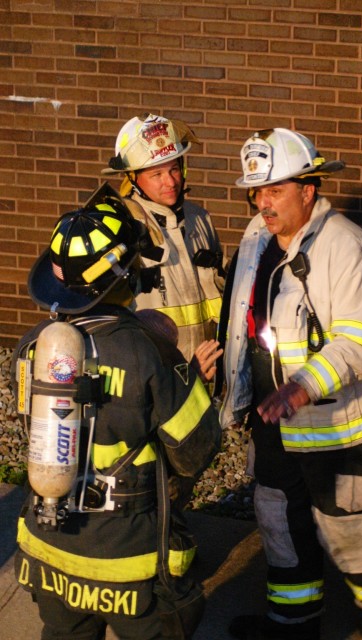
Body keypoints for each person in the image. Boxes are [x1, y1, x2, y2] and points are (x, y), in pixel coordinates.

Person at [12, 184, 222, 640]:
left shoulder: (30, 349)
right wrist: (192, 381)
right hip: (127, 561)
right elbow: (194, 452)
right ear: (126, 275)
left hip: (49, 553)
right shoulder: (150, 353)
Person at [220, 128, 362, 640]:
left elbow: (360, 343)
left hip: (338, 426)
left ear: (309, 188)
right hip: (274, 420)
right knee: (278, 519)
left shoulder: (349, 250)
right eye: (257, 191)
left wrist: (300, 387)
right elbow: (242, 318)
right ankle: (292, 624)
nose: (262, 203)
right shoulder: (257, 238)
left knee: (348, 527)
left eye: (274, 189)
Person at [101, 112, 225, 365]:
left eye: (174, 169)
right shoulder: (123, 225)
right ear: (133, 178)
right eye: (156, 174)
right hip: (154, 371)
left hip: (207, 369)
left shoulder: (199, 219)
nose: (170, 181)